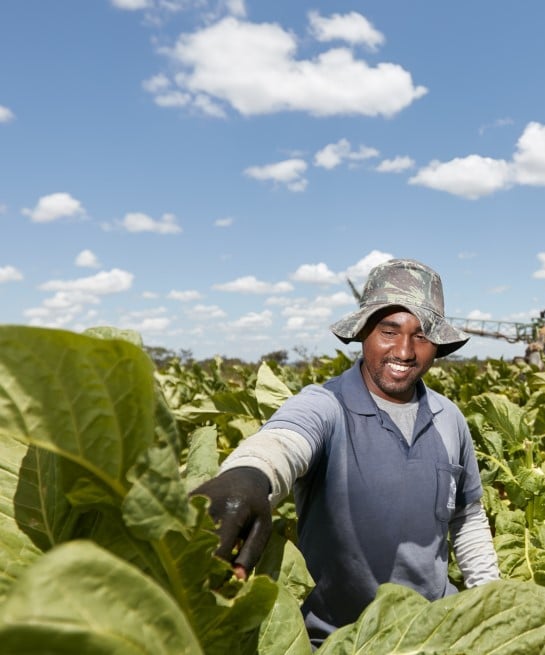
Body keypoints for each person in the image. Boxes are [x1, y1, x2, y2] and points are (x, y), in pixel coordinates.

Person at [192, 258, 500, 647]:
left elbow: (467, 518)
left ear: (436, 345)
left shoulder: (449, 417)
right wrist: (249, 476)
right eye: (389, 331)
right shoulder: (327, 405)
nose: (405, 351)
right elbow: (284, 441)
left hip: (433, 634)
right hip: (341, 640)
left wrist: (488, 602)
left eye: (421, 336)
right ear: (364, 333)